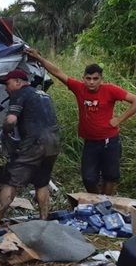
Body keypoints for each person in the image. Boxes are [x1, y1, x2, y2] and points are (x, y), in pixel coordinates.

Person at [28, 49, 136, 195]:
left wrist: (119, 119)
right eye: (88, 78)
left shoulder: (110, 90)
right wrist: (39, 58)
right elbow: (58, 72)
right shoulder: (79, 88)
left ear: (101, 79)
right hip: (90, 142)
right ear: (83, 78)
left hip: (110, 141)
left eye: (95, 79)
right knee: (88, 178)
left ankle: (106, 204)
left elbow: (134, 100)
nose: (91, 82)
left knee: (110, 176)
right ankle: (98, 201)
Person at [0, 69, 60, 227]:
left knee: (11, 180)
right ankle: (43, 220)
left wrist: (5, 132)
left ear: (18, 82)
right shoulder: (43, 95)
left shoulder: (20, 94)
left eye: (8, 84)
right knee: (42, 182)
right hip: (54, 142)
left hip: (35, 143)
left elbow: (11, 120)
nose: (6, 88)